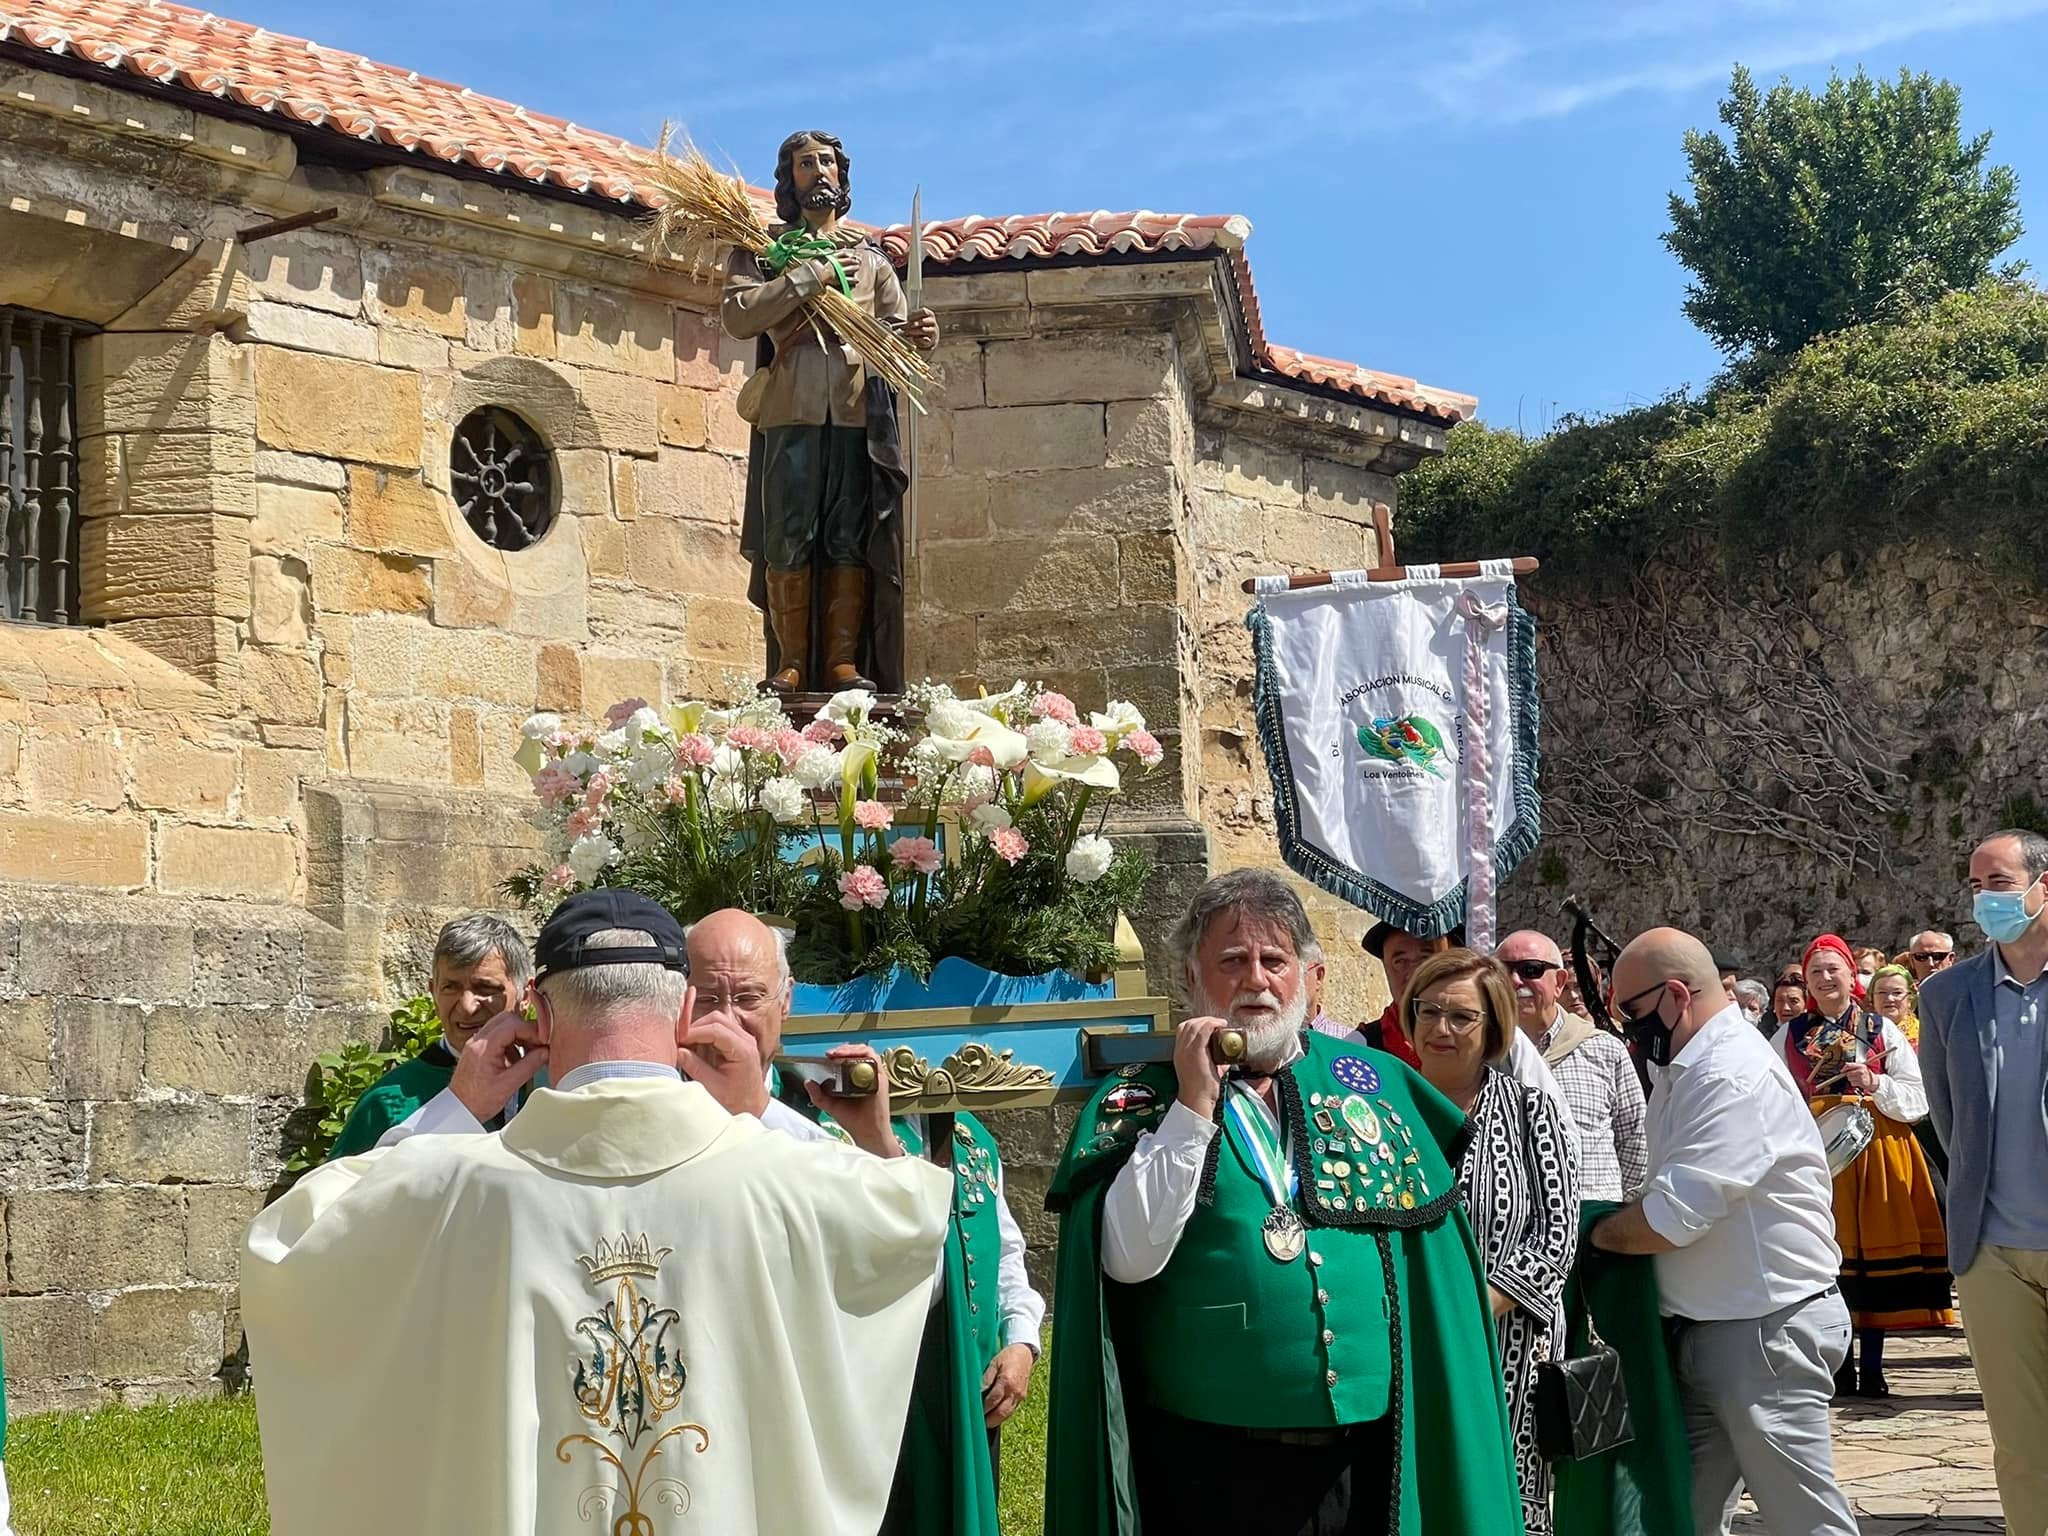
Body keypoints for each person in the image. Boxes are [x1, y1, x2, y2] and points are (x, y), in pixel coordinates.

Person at [242, 889, 952, 1536]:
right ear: (682, 1012)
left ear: (538, 1016)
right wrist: (766, 1114)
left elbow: (292, 1246)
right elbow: (910, 1222)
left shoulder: (455, 1182)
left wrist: (457, 1105)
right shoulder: (784, 1175)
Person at [1043, 869, 1523, 1536]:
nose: (1256, 979)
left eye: (1275, 960)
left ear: (1313, 979)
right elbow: (1126, 1260)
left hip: (1368, 1458)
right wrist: (1192, 1108)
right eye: (1232, 961)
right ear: (1190, 978)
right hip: (1212, 1465)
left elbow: (1430, 1278)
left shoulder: (1377, 1084)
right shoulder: (1143, 1098)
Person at [1588, 927, 1855, 1536]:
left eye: (1631, 1011)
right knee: (1680, 1515)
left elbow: (1669, 1219)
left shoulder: (1729, 1075)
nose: (1628, 1027)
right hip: (1719, 1329)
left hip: (1763, 1332)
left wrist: (1590, 1234)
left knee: (1804, 1520)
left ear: (1677, 995)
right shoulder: (1691, 1065)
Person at [722, 130, 938, 694]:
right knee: (788, 534)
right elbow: (741, 316)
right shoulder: (762, 248)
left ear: (841, 176)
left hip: (852, 415)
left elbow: (895, 338)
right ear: (788, 179)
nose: (818, 171)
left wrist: (920, 334)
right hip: (790, 413)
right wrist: (806, 276)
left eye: (826, 163)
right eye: (804, 164)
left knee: (847, 534)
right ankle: (791, 663)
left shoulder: (873, 263)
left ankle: (842, 661)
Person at [1408, 949, 1579, 1535]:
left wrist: (1472, 1309)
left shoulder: (1532, 1112)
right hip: (1408, 1342)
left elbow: (1556, 1236)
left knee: (1502, 1501)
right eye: (1428, 1012)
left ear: (1494, 1028)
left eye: (1461, 1017)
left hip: (1507, 1348)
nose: (1441, 1029)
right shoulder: (1379, 1111)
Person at [1920, 828, 2048, 1535]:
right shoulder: (1946, 996)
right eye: (1975, 887)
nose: (1984, 900)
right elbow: (1947, 1120)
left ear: (2042, 885)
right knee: (2023, 1448)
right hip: (1991, 1253)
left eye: (1998, 883)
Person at [1785, 935, 1952, 1397]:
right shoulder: (1789, 1035)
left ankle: (1874, 1368)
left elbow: (1917, 1098)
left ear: (1849, 975)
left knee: (1872, 1260)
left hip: (1875, 1150)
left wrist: (1875, 1081)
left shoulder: (1880, 1028)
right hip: (1817, 1158)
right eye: (1815, 972)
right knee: (1829, 1264)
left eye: (1832, 969)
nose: (1824, 979)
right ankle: (1838, 1368)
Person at [327, 914, 533, 1158]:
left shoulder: (555, 1082)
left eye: (485, 988)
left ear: (525, 996)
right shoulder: (386, 1103)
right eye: (450, 988)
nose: (467, 1006)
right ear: (433, 993)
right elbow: (337, 1193)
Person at [1363, 918, 1575, 1129]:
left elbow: (1560, 1132)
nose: (1414, 972)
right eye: (1400, 961)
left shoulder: (1510, 1047)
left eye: (1426, 957)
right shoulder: (1362, 1046)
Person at [1498, 929, 1647, 1201]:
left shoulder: (1604, 1049)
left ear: (1559, 982)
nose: (1515, 981)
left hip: (1592, 1222)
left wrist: (1615, 1217)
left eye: (1531, 969)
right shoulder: (1481, 1054)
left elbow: (1635, 1140)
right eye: (1501, 971)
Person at [1765, 971, 1806, 1041]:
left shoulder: (1818, 1037)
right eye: (1780, 1001)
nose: (1785, 1008)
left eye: (1793, 1001)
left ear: (1806, 1005)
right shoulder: (1765, 1038)